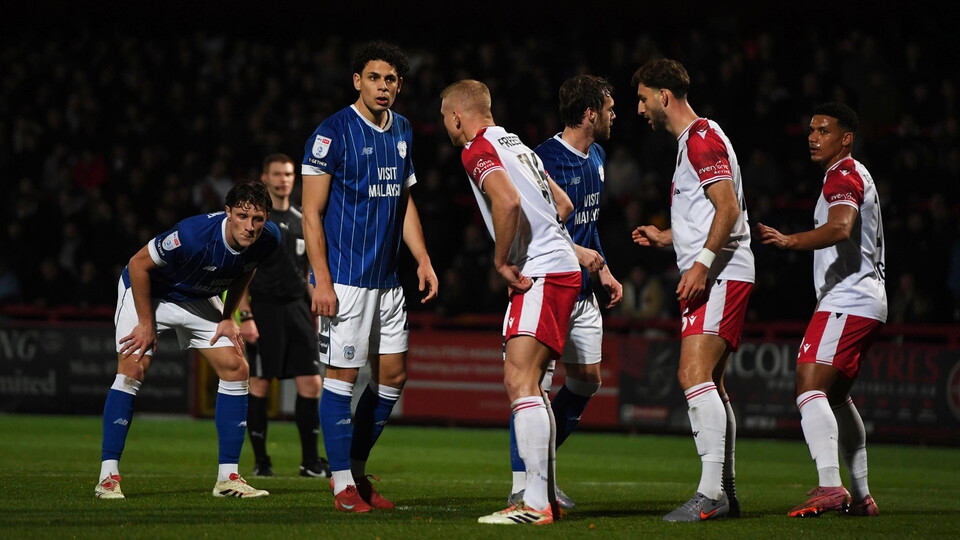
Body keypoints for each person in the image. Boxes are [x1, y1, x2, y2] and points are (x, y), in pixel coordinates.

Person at [301, 41, 438, 513]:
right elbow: (312, 214)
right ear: (357, 81)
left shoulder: (401, 130)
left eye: (392, 80)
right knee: (341, 380)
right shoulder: (331, 133)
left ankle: (356, 471)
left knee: (394, 377)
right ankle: (341, 485)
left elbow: (403, 202)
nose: (384, 86)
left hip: (387, 281)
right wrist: (320, 279)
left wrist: (421, 258)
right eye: (375, 78)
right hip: (345, 279)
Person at [441, 79, 582, 526]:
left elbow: (506, 201)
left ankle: (536, 503)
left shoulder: (476, 147)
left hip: (542, 272)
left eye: (446, 117)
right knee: (530, 383)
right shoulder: (518, 144)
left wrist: (505, 260)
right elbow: (563, 204)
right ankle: (541, 498)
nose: (446, 125)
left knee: (520, 382)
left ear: (458, 117)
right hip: (556, 267)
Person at [95, 181, 280, 500]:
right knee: (133, 370)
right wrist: (145, 322)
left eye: (258, 219)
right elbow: (139, 264)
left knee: (237, 369)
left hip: (198, 297)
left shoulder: (269, 239)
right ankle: (108, 477)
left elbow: (245, 270)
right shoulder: (192, 236)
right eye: (242, 216)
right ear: (228, 213)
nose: (250, 227)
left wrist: (228, 317)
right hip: (151, 294)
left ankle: (228, 479)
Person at [631, 59, 754, 522]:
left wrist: (701, 264)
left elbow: (728, 206)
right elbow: (710, 212)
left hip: (721, 272)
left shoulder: (701, 138)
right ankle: (725, 491)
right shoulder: (694, 141)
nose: (640, 109)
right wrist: (671, 239)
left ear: (664, 96)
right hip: (721, 269)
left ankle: (711, 495)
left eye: (643, 99)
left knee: (692, 375)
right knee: (713, 384)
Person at [758, 102, 885, 518]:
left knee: (808, 384)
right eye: (811, 129)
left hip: (849, 299)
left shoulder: (842, 174)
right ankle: (862, 495)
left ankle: (830, 486)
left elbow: (841, 226)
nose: (813, 137)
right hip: (864, 299)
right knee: (837, 395)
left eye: (824, 130)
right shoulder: (855, 173)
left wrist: (790, 241)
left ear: (845, 138)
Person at [505, 75, 623, 510]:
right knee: (533, 383)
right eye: (610, 108)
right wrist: (579, 254)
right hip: (548, 282)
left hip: (585, 288)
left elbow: (588, 226)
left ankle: (543, 468)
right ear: (590, 113)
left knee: (587, 381)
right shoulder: (543, 160)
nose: (615, 115)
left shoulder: (598, 156)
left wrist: (604, 269)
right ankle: (525, 483)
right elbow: (532, 226)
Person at [236, 154, 330, 479]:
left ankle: (310, 462)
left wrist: (318, 304)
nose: (283, 180)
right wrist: (244, 315)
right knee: (260, 384)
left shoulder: (303, 217)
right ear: (265, 178)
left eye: (288, 174)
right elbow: (240, 273)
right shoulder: (256, 222)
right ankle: (262, 461)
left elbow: (307, 274)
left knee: (311, 382)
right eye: (277, 174)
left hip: (297, 310)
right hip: (263, 309)